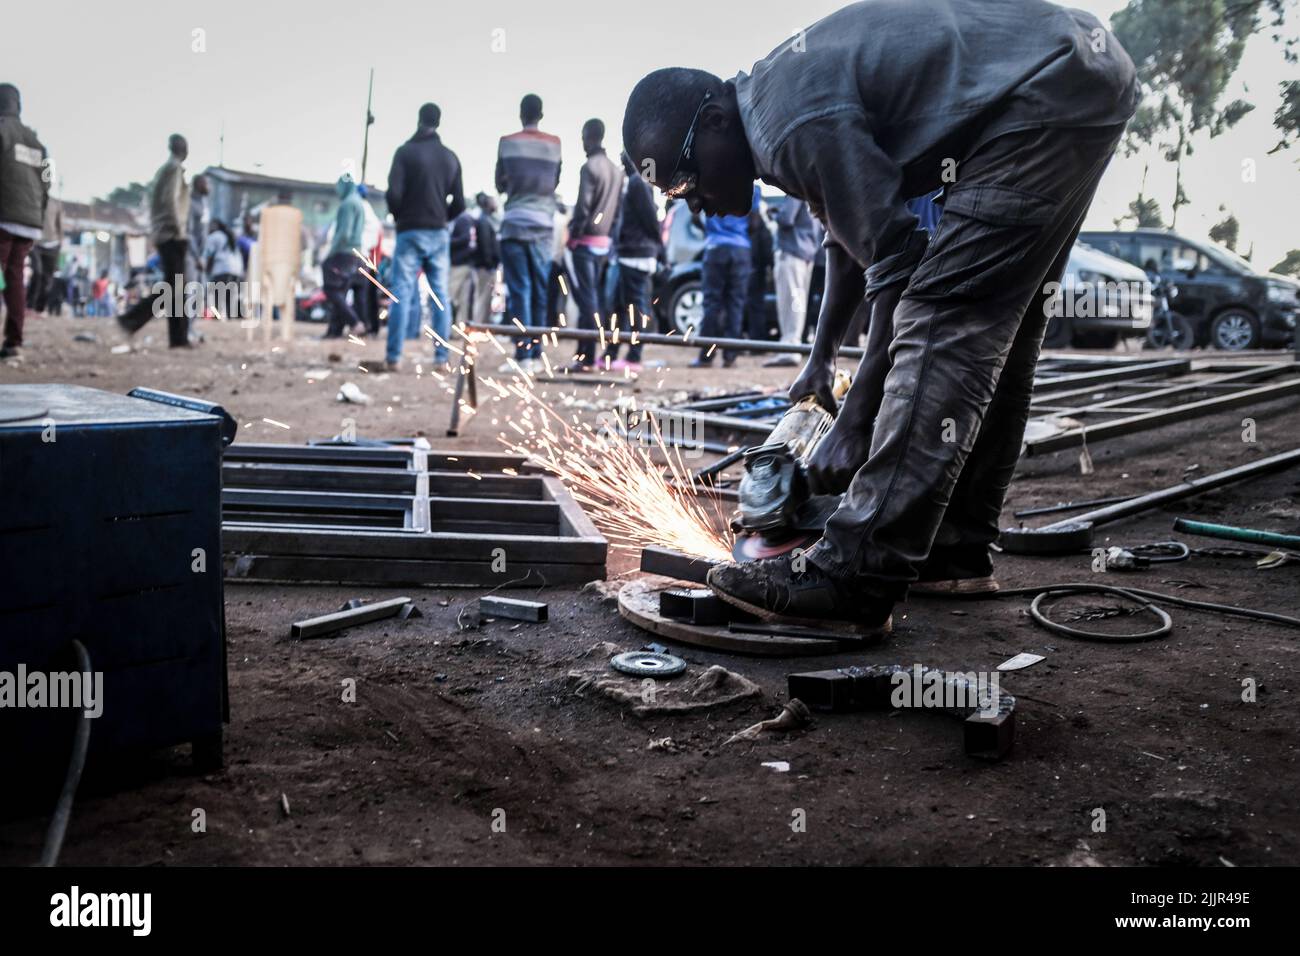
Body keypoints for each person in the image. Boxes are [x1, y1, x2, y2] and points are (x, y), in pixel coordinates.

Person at [621, 0, 1137, 632]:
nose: (692, 203)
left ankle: (855, 575)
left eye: (682, 180)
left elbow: (896, 265)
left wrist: (856, 419)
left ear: (716, 121)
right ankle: (953, 546)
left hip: (1040, 93)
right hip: (1077, 74)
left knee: (941, 315)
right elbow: (849, 240)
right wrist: (819, 362)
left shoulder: (788, 128)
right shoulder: (772, 110)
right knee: (1009, 321)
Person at [384, 103, 463, 371]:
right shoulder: (450, 157)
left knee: (402, 293)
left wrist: (400, 215)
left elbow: (393, 194)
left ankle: (394, 357)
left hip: (410, 230)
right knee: (440, 294)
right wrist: (442, 216)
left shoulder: (405, 153)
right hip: (438, 232)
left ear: (419, 120)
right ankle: (441, 359)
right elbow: (460, 203)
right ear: (439, 122)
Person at [495, 94, 561, 371]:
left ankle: (523, 355)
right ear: (541, 114)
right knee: (540, 291)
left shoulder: (507, 142)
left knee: (519, 289)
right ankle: (536, 352)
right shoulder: (555, 144)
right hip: (543, 227)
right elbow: (556, 180)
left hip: (514, 223)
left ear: (521, 114)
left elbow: (499, 183)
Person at [117, 134, 193, 347]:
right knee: (175, 287)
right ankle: (133, 320)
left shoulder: (165, 170)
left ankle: (175, 336)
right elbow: (171, 202)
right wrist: (179, 231)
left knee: (174, 286)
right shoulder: (173, 169)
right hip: (171, 233)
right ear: (182, 148)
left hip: (163, 232)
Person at [564, 118, 624, 369]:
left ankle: (586, 356)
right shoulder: (615, 170)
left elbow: (584, 208)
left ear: (588, 137)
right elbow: (618, 212)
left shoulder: (589, 168)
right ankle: (596, 354)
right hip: (604, 244)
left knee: (587, 302)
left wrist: (572, 235)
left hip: (586, 243)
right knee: (598, 301)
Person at [0, 83, 50, 359]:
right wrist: (37, 213)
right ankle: (13, 343)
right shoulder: (36, 142)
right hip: (29, 220)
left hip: (5, 217)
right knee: (14, 278)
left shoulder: (1, 131)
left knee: (3, 275)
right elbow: (47, 182)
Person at [689, 183, 758, 368]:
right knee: (735, 303)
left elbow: (694, 217)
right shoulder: (752, 188)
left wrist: (712, 231)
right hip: (741, 249)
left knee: (712, 303)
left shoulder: (709, 181)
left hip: (715, 248)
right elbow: (755, 222)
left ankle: (706, 356)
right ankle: (730, 356)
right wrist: (739, 233)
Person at [603, 155, 661, 371]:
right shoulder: (633, 183)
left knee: (636, 308)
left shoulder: (639, 183)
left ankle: (634, 356)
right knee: (618, 306)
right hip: (627, 254)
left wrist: (656, 246)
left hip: (637, 255)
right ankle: (612, 352)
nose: (621, 160)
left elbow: (651, 218)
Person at [768, 197, 820, 366]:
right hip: (807, 253)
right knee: (798, 303)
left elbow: (786, 218)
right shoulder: (812, 190)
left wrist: (774, 213)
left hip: (791, 251)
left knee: (788, 303)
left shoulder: (795, 191)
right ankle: (793, 345)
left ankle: (789, 348)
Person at [319, 174, 367, 338]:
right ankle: (335, 330)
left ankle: (354, 322)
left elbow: (344, 233)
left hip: (344, 252)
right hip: (354, 253)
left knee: (332, 289)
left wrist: (330, 254)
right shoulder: (358, 203)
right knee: (340, 290)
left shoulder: (348, 204)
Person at [27, 197, 62, 314]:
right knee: (37, 272)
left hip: (52, 245)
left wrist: (60, 243)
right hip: (35, 243)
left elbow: (59, 225)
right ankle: (29, 306)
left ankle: (39, 309)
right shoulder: (32, 200)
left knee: (47, 279)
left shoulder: (55, 204)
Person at [204, 219, 243, 320]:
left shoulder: (215, 236)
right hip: (237, 270)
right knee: (230, 295)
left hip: (222, 269)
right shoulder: (230, 236)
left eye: (210, 225)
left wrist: (206, 269)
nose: (208, 228)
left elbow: (208, 254)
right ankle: (229, 317)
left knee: (216, 294)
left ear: (215, 226)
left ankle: (220, 316)